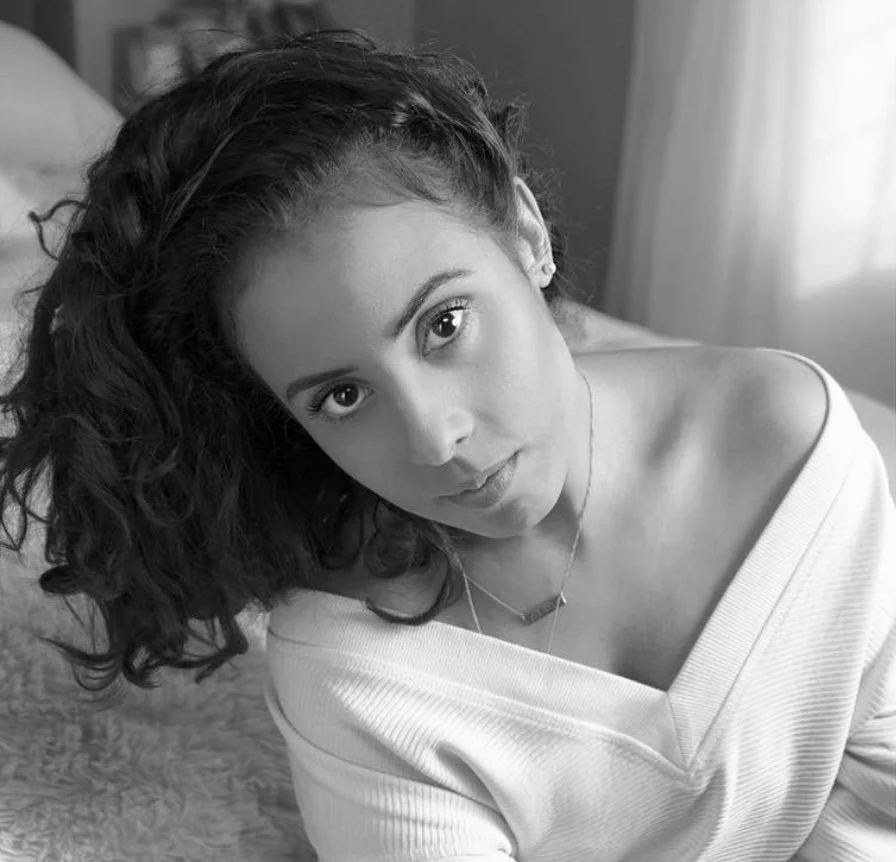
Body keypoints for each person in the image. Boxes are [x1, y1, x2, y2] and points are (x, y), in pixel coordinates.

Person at [1, 29, 893, 862]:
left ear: (526, 234)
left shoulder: (792, 446)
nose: (434, 438)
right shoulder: (364, 674)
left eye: (445, 324)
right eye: (343, 396)